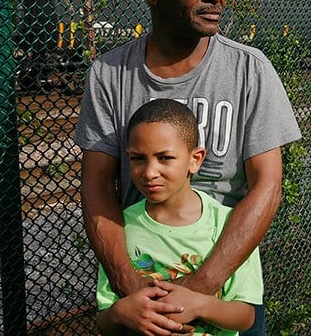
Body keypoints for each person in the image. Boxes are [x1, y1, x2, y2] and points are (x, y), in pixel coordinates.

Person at [74, 0, 301, 335]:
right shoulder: (110, 73)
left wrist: (201, 288)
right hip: (144, 290)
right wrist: (130, 288)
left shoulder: (249, 70)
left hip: (227, 289)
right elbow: (96, 187)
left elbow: (267, 185)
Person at [97, 98, 262, 336]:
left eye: (164, 158)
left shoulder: (229, 225)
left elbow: (246, 316)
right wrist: (120, 313)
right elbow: (104, 322)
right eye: (137, 158)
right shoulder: (118, 228)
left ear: (195, 159)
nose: (150, 172)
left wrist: (202, 305)